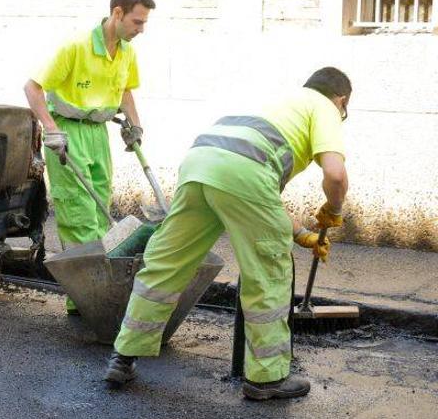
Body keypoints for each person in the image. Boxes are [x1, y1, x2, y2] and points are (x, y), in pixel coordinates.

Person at [103, 67, 351, 400]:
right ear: (342, 100)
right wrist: (333, 212)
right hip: (243, 172)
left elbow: (254, 190)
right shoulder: (324, 107)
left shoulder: (279, 101)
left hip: (201, 161)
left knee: (166, 262)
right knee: (269, 271)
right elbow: (334, 175)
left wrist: (302, 233)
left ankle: (124, 356)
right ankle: (266, 379)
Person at [23, 0, 154, 314]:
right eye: (137, 22)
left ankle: (102, 287)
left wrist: (134, 126)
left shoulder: (125, 52)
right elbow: (33, 88)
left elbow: (125, 91)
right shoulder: (76, 47)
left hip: (98, 135)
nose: (141, 29)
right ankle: (84, 297)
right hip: (68, 134)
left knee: (100, 211)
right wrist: (50, 131)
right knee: (79, 215)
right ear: (118, 13)